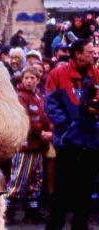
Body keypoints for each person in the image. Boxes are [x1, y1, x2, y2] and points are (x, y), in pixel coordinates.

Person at [44, 39, 99, 230]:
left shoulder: (96, 74)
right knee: (62, 193)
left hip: (91, 142)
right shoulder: (58, 74)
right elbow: (51, 106)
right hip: (68, 144)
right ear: (77, 53)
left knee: (85, 193)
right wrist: (67, 126)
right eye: (90, 52)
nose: (94, 54)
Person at [5, 66, 52, 225]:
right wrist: (41, 132)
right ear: (22, 80)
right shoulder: (20, 97)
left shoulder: (39, 96)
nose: (29, 81)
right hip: (26, 147)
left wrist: (50, 129)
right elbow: (26, 119)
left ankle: (32, 210)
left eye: (32, 78)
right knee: (19, 178)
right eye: (26, 78)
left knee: (36, 180)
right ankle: (7, 211)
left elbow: (43, 116)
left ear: (38, 80)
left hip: (38, 147)